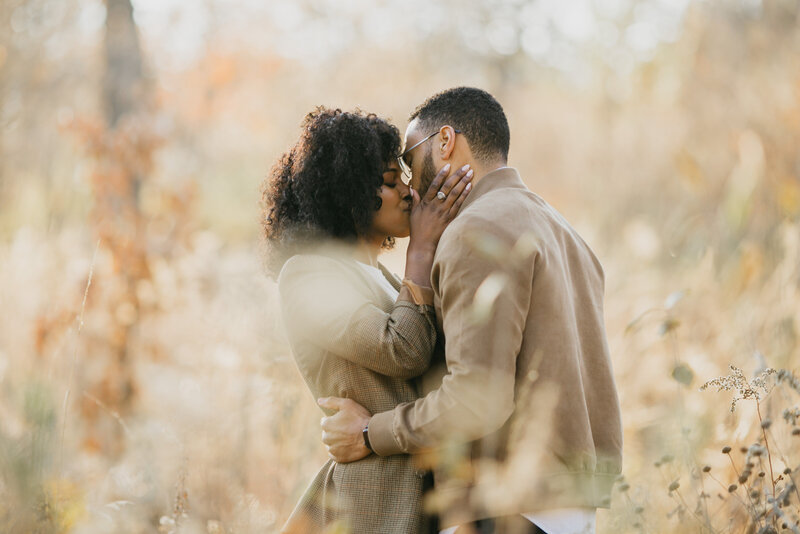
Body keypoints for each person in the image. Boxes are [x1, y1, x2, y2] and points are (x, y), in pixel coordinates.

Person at [318, 87, 624, 534]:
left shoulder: (474, 231)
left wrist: (369, 433)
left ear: (444, 141)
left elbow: (477, 398)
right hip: (567, 509)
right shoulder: (562, 229)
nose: (408, 180)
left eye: (409, 157)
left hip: (505, 505)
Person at [262, 106, 473, 533]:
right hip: (374, 502)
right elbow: (404, 350)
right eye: (392, 183)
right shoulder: (306, 275)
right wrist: (422, 252)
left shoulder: (387, 279)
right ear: (350, 194)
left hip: (427, 496)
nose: (410, 195)